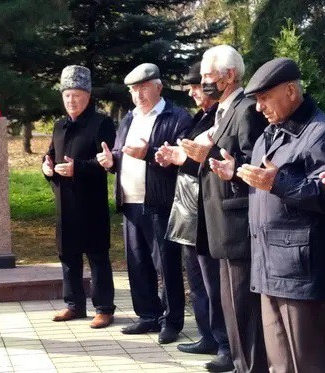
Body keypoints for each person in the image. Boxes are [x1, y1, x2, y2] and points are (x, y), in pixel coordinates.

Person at [212, 57, 325, 372]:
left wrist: (277, 182)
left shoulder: (320, 132)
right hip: (266, 266)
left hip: (299, 272)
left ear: (291, 91)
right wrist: (236, 174)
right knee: (278, 362)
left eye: (265, 98)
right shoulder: (268, 134)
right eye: (256, 100)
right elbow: (262, 189)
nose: (259, 107)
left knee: (309, 362)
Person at [179, 45, 268, 372]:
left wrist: (213, 160)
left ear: (230, 75)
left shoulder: (245, 109)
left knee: (243, 305)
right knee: (230, 303)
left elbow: (254, 163)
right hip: (217, 220)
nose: (203, 83)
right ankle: (234, 356)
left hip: (237, 222)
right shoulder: (221, 110)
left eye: (207, 76)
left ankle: (247, 361)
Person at [96, 63, 192, 344]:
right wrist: (111, 160)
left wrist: (148, 153)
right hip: (130, 201)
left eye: (143, 87)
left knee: (167, 265)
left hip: (160, 202)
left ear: (158, 87)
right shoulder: (129, 118)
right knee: (138, 263)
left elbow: (183, 160)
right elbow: (119, 151)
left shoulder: (177, 117)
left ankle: (172, 321)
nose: (138, 94)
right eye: (133, 90)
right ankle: (147, 315)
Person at [155, 62, 231, 371]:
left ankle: (224, 341)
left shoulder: (221, 118)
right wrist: (173, 156)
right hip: (188, 208)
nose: (193, 91)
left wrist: (182, 158)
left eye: (198, 86)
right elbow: (189, 156)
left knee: (212, 280)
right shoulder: (199, 118)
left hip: (206, 209)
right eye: (191, 87)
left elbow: (211, 161)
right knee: (197, 279)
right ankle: (207, 335)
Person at [42, 65, 116, 329]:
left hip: (91, 201)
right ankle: (74, 304)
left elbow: (107, 163)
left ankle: (104, 307)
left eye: (76, 95)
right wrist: (46, 167)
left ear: (87, 95)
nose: (71, 101)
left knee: (97, 255)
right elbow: (50, 153)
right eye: (66, 96)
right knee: (68, 255)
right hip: (64, 201)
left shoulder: (101, 123)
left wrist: (78, 168)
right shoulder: (59, 126)